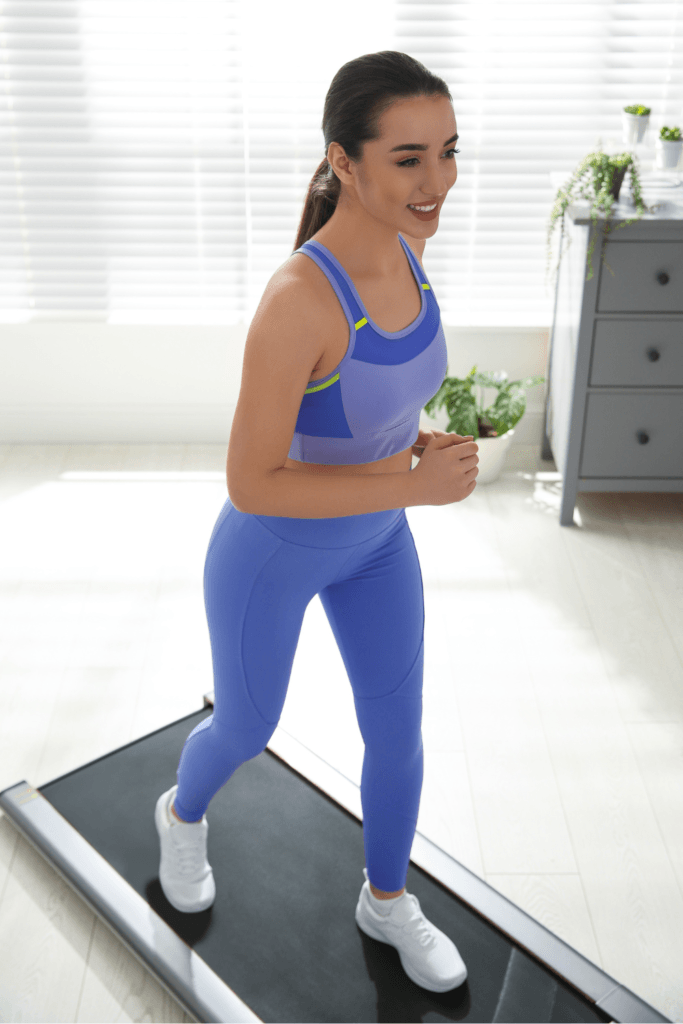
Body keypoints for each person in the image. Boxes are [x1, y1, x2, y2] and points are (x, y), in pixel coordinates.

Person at [155, 50, 477, 993]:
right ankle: (180, 813)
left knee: (400, 735)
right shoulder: (298, 299)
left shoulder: (409, 256)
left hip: (378, 540)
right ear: (343, 160)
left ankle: (384, 900)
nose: (437, 182)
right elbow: (252, 480)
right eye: (409, 158)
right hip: (274, 550)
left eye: (449, 152)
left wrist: (414, 446)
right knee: (248, 727)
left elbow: (361, 410)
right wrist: (409, 487)